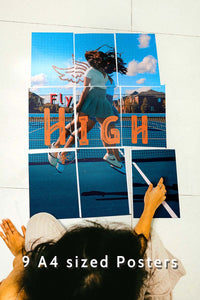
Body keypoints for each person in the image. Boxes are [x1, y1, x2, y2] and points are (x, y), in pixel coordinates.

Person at [0, 178, 185, 300]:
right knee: (151, 249)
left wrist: (22, 256)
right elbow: (138, 246)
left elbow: (11, 285)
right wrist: (149, 208)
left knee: (39, 221)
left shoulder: (13, 295)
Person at [49, 49, 126, 173]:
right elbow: (87, 89)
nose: (111, 67)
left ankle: (117, 162)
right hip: (92, 103)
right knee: (77, 127)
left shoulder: (107, 77)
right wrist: (80, 105)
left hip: (103, 106)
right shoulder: (94, 73)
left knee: (105, 133)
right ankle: (59, 150)